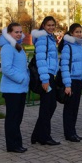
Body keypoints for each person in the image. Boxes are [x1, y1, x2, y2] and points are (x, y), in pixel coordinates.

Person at [0, 23, 29, 153]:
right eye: (16, 32)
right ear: (9, 33)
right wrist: (21, 78)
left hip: (20, 89)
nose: (19, 34)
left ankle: (17, 143)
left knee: (18, 118)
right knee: (13, 118)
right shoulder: (7, 47)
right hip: (12, 90)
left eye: (20, 32)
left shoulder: (17, 46)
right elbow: (6, 69)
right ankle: (12, 145)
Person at [31, 16, 61, 146]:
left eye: (53, 25)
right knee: (47, 106)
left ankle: (37, 134)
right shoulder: (43, 38)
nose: (51, 27)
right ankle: (44, 136)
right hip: (46, 76)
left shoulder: (50, 38)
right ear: (43, 25)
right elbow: (41, 60)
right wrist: (45, 79)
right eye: (48, 25)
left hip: (50, 75)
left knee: (49, 105)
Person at [58, 23, 82, 142]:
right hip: (70, 81)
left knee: (75, 108)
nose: (79, 34)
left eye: (80, 32)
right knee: (69, 109)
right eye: (76, 32)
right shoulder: (68, 47)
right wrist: (67, 85)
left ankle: (73, 131)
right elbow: (64, 66)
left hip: (78, 81)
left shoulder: (81, 48)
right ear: (71, 33)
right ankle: (68, 133)